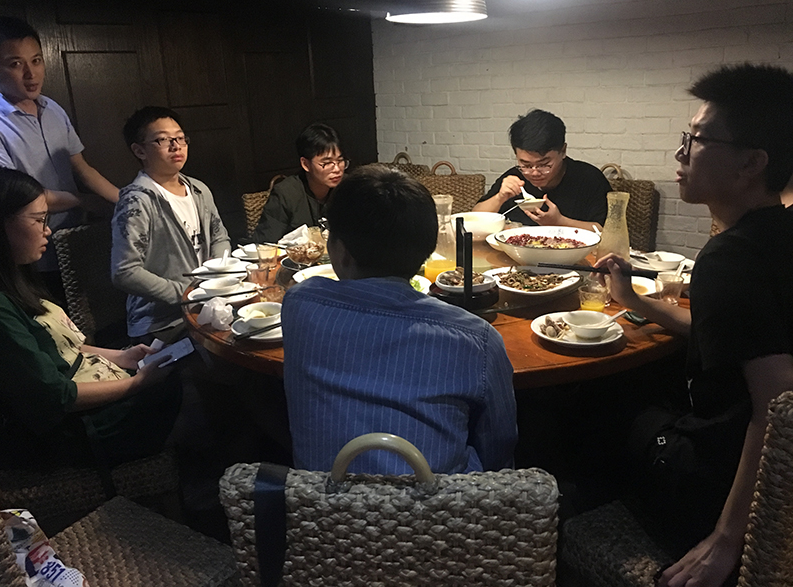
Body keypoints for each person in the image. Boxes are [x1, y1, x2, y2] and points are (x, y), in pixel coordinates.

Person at [597, 63, 793, 587]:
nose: (680, 155)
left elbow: (778, 404)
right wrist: (632, 299)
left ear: (751, 162)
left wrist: (727, 540)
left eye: (696, 140)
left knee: (591, 409)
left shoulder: (731, 258)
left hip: (726, 474)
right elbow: (736, 336)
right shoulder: (778, 232)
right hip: (743, 454)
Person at [282, 165, 518, 474]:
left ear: (339, 251)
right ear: (427, 252)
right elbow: (499, 447)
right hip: (439, 503)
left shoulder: (300, 305)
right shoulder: (477, 338)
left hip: (321, 500)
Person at [0, 167, 179, 470]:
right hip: (69, 434)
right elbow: (57, 396)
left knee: (171, 365)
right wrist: (138, 384)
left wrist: (122, 357)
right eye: (39, 220)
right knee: (169, 385)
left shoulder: (18, 278)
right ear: (0, 224)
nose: (47, 231)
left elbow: (62, 346)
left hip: (84, 385)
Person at [0, 17, 120, 298]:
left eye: (36, 60)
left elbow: (81, 167)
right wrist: (82, 200)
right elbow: (19, 197)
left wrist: (126, 200)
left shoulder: (51, 108)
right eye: (16, 64)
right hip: (29, 251)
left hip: (74, 238)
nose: (31, 73)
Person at [112, 106, 231, 343]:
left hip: (205, 305)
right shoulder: (136, 201)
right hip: (162, 321)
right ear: (139, 150)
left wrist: (215, 279)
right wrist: (186, 293)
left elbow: (220, 237)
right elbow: (124, 272)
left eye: (180, 138)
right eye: (163, 140)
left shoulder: (198, 190)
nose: (176, 146)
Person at [473, 109, 610, 231]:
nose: (534, 172)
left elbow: (606, 231)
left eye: (544, 164)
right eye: (526, 164)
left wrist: (558, 222)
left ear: (563, 151)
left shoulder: (589, 179)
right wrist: (499, 197)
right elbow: (474, 219)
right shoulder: (515, 178)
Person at [252, 122, 347, 243]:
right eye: (327, 163)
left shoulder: (349, 187)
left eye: (340, 161)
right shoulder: (286, 194)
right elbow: (264, 244)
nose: (337, 169)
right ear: (305, 164)